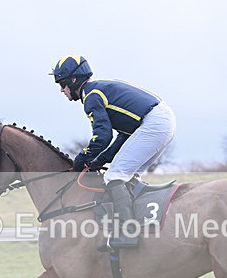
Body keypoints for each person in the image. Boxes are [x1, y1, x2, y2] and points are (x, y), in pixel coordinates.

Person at [50, 54, 176, 249]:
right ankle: (139, 225)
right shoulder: (97, 90)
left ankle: (128, 233)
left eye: (62, 84)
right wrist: (100, 159)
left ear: (73, 81)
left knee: (115, 176)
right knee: (127, 175)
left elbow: (102, 137)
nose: (61, 90)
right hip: (158, 121)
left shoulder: (91, 97)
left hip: (154, 123)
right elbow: (123, 136)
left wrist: (82, 158)